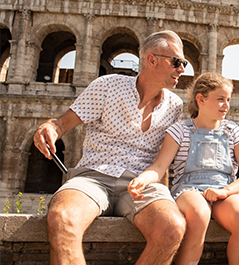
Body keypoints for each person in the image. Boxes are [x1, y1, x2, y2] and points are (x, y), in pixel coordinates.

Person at [33, 30, 188, 265]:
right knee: (62, 218)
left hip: (141, 184)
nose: (182, 69)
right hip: (93, 177)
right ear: (152, 59)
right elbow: (61, 124)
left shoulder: (175, 105)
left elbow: (162, 161)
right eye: (176, 61)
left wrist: (164, 197)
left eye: (184, 62)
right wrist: (49, 128)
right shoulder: (107, 86)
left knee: (173, 228)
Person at [128, 72, 239, 265]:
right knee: (199, 213)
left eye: (228, 100)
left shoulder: (233, 131)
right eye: (220, 99)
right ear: (201, 99)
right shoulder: (180, 130)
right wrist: (142, 179)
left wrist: (225, 192)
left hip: (224, 189)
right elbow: (159, 166)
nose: (226, 105)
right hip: (189, 188)